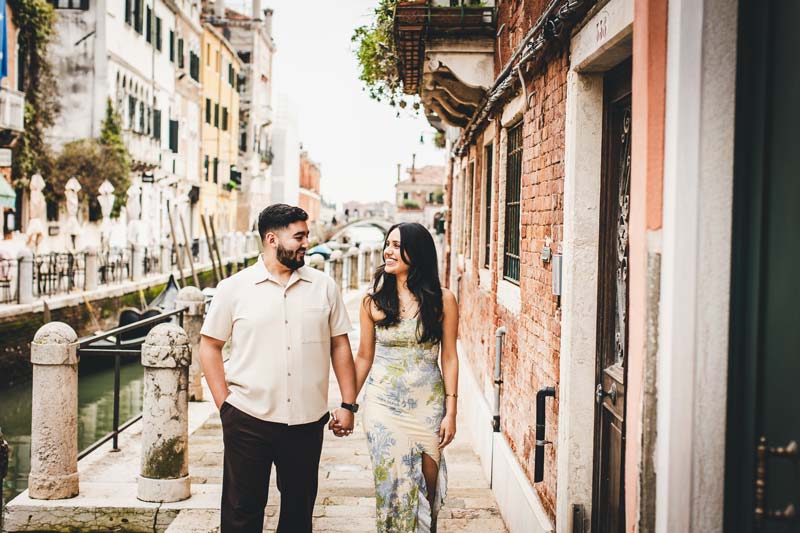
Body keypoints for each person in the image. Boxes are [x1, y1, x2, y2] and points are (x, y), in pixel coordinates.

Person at [199, 204, 357, 533]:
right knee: (242, 513)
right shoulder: (233, 288)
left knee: (299, 515)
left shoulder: (324, 286)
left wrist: (348, 403)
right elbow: (209, 345)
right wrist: (224, 405)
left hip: (306, 423)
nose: (306, 243)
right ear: (272, 239)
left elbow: (340, 344)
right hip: (247, 418)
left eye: (306, 235)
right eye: (298, 236)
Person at [331, 222, 459, 532]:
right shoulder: (372, 301)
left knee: (427, 493)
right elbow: (364, 356)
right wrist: (347, 405)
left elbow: (450, 356)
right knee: (391, 489)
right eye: (387, 244)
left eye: (396, 245)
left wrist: (451, 412)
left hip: (427, 406)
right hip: (382, 408)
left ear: (417, 253)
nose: (388, 251)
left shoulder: (444, 300)